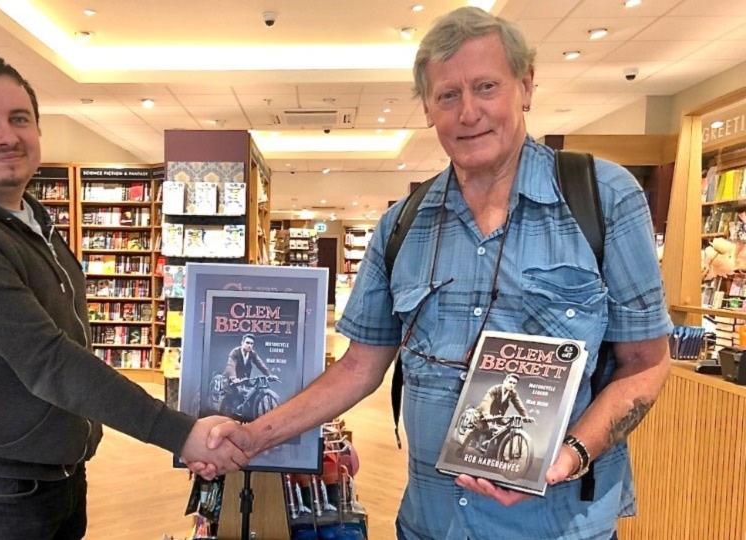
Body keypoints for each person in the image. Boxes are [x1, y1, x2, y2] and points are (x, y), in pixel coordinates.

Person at [200, 7, 672, 539]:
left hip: (558, 526)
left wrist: (569, 456)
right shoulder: (402, 225)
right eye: (448, 95)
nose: (468, 112)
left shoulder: (604, 199)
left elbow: (645, 365)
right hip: (431, 523)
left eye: (486, 86)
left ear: (526, 86)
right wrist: (251, 437)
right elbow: (359, 366)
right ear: (428, 107)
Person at [0, 51, 245, 540]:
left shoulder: (30, 221)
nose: (7, 135)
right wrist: (178, 432)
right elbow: (48, 359)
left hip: (47, 470)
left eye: (20, 118)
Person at [464, 374, 531, 455]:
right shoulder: (495, 389)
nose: (512, 385)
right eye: (510, 382)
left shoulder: (512, 393)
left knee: (502, 431)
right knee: (478, 429)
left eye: (514, 383)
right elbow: (486, 402)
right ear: (504, 381)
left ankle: (496, 452)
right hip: (483, 414)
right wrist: (486, 414)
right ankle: (462, 448)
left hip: (497, 416)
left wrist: (525, 416)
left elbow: (519, 404)